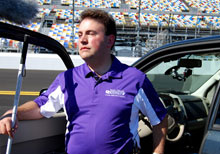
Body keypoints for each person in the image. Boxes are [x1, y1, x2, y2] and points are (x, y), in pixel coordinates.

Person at [0, 9, 168, 154]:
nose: (82, 40)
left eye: (91, 33)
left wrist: (157, 152)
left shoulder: (135, 79)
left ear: (110, 40)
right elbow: (41, 106)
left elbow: (159, 118)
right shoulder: (67, 78)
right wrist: (12, 114)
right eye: (80, 34)